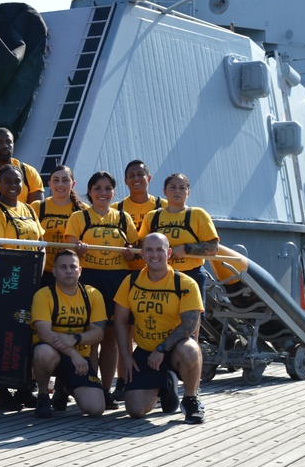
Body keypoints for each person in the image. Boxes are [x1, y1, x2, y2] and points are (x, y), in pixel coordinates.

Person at [64, 171, 140, 411]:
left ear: (114, 192)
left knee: (111, 339)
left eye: (108, 188)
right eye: (97, 188)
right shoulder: (79, 217)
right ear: (90, 191)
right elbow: (68, 250)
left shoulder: (123, 217)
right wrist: (79, 251)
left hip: (117, 280)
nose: (103, 193)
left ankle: (105, 390)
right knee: (90, 337)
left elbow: (134, 247)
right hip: (89, 279)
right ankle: (89, 385)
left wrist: (130, 252)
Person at [113, 232, 206, 424]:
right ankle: (166, 385)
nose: (154, 255)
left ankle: (191, 399)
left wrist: (162, 349)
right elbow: (120, 320)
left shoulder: (185, 283)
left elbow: (189, 325)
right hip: (146, 351)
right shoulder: (131, 281)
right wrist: (126, 356)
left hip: (174, 350)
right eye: (149, 250)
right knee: (135, 410)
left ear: (169, 253)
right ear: (142, 254)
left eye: (160, 250)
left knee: (191, 349)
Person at [0, 164, 45, 409]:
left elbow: (41, 244)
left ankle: (23, 387)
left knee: (25, 336)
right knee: (3, 336)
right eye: (7, 181)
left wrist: (36, 275)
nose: (13, 185)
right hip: (5, 283)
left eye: (17, 181)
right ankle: (2, 390)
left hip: (30, 282)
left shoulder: (28, 209)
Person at [110, 159, 166, 401]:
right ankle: (123, 380)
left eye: (140, 174)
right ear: (125, 181)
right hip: (127, 273)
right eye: (131, 175)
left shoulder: (163, 207)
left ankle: (164, 379)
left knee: (160, 326)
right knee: (126, 330)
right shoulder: (117, 208)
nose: (136, 179)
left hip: (157, 275)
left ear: (149, 178)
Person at [30, 249, 107, 418]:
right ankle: (43, 395)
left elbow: (98, 333)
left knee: (96, 409)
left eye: (73, 267)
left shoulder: (93, 295)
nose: (68, 271)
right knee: (43, 352)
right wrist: (72, 352)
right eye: (63, 267)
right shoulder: (43, 295)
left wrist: (75, 339)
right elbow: (44, 334)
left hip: (80, 359)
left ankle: (64, 387)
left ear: (80, 271)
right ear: (55, 271)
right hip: (55, 354)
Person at [139, 173, 219, 306]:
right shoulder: (152, 217)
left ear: (188, 192)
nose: (177, 191)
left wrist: (186, 249)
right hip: (158, 277)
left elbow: (213, 248)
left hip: (191, 276)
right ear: (164, 191)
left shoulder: (198, 214)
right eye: (172, 187)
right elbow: (142, 245)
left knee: (191, 320)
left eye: (182, 188)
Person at [32, 165, 87, 287]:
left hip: (70, 274)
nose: (60, 184)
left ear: (73, 184)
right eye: (56, 180)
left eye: (65, 180)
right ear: (49, 184)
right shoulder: (37, 207)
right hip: (42, 272)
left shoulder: (84, 211)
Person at [0, 127, 44, 203]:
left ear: (13, 145)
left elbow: (37, 209)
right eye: (0, 142)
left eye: (8, 142)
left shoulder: (29, 172)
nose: (5, 146)